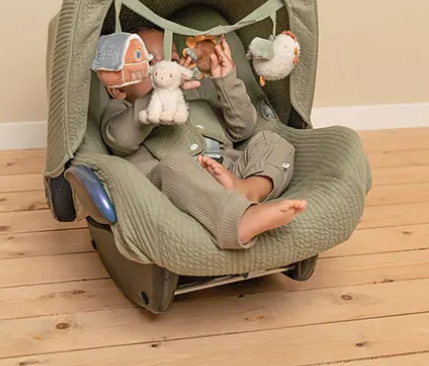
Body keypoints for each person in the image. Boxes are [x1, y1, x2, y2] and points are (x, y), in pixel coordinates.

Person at [100, 27, 307, 249]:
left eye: (173, 60)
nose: (165, 68)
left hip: (229, 175)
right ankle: (239, 220)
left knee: (271, 140)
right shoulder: (122, 111)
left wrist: (227, 82)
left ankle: (249, 190)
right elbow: (120, 139)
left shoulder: (197, 101)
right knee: (174, 164)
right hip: (178, 190)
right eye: (150, 64)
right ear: (118, 90)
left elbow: (243, 129)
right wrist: (159, 93)